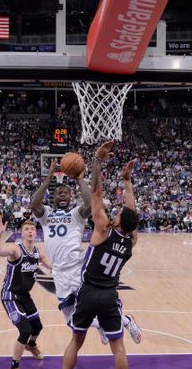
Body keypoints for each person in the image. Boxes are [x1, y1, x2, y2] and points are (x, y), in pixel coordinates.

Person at [55, 146, 140, 369]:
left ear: (116, 220)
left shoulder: (103, 229)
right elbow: (131, 212)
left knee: (75, 341)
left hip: (88, 293)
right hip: (109, 297)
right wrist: (127, 182)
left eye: (116, 214)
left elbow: (97, 193)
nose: (114, 214)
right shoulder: (131, 240)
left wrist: (97, 161)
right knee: (118, 347)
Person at [30, 146, 143, 345]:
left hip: (79, 267)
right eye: (59, 193)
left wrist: (79, 178)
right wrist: (48, 180)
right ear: (53, 197)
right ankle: (108, 324)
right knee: (71, 321)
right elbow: (34, 205)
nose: (63, 195)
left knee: (93, 305)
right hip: (59, 272)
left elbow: (91, 203)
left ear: (71, 197)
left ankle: (122, 322)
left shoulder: (76, 214)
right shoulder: (46, 215)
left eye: (66, 192)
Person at [0, 215, 52, 369]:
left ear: (36, 233)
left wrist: (64, 269)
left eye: (32, 229)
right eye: (26, 229)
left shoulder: (38, 251)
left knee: (37, 327)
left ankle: (31, 345)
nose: (30, 231)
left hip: (25, 295)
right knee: (25, 330)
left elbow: (49, 265)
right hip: (10, 295)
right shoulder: (15, 250)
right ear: (22, 233)